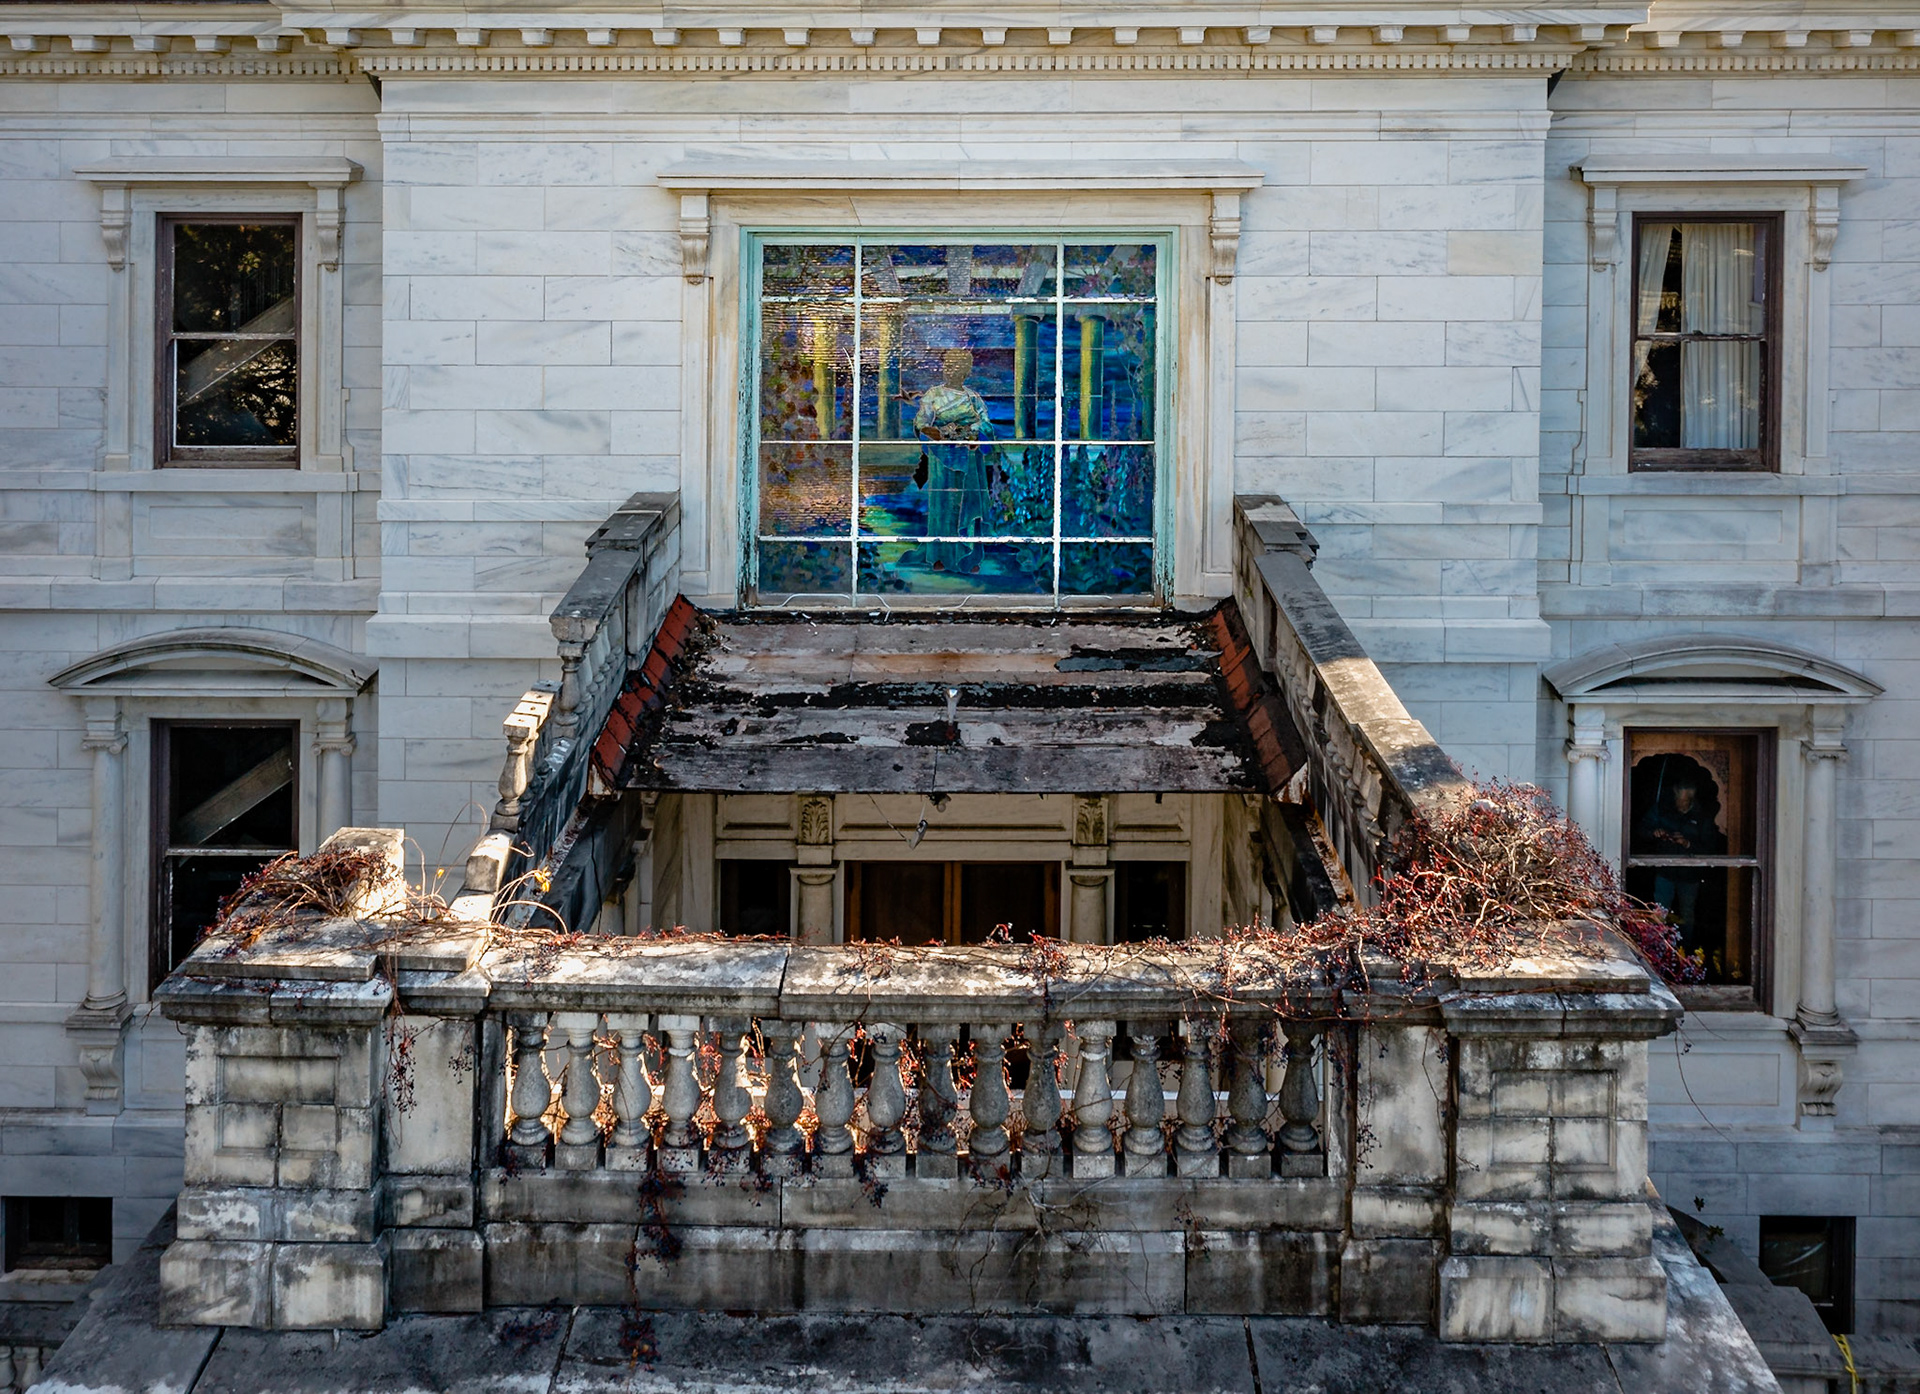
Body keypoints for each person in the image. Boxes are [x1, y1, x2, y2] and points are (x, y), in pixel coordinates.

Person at [906, 348, 996, 573]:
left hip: (969, 458)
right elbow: (920, 422)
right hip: (943, 459)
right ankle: (940, 555)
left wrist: (974, 433)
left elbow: (986, 424)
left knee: (968, 503)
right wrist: (931, 431)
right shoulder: (933, 394)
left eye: (956, 366)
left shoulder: (972, 397)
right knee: (944, 505)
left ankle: (969, 557)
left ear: (966, 371)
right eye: (947, 365)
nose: (950, 370)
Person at [1636, 771, 1726, 952]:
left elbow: (1711, 847)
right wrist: (1655, 832)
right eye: (1679, 799)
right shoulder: (1662, 809)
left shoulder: (1702, 817)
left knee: (1687, 914)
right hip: (1665, 871)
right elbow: (1641, 829)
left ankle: (1687, 952)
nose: (1681, 804)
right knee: (1659, 912)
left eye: (1685, 802)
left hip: (1690, 875)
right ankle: (1656, 949)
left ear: (1691, 798)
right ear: (1675, 794)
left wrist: (1687, 843)